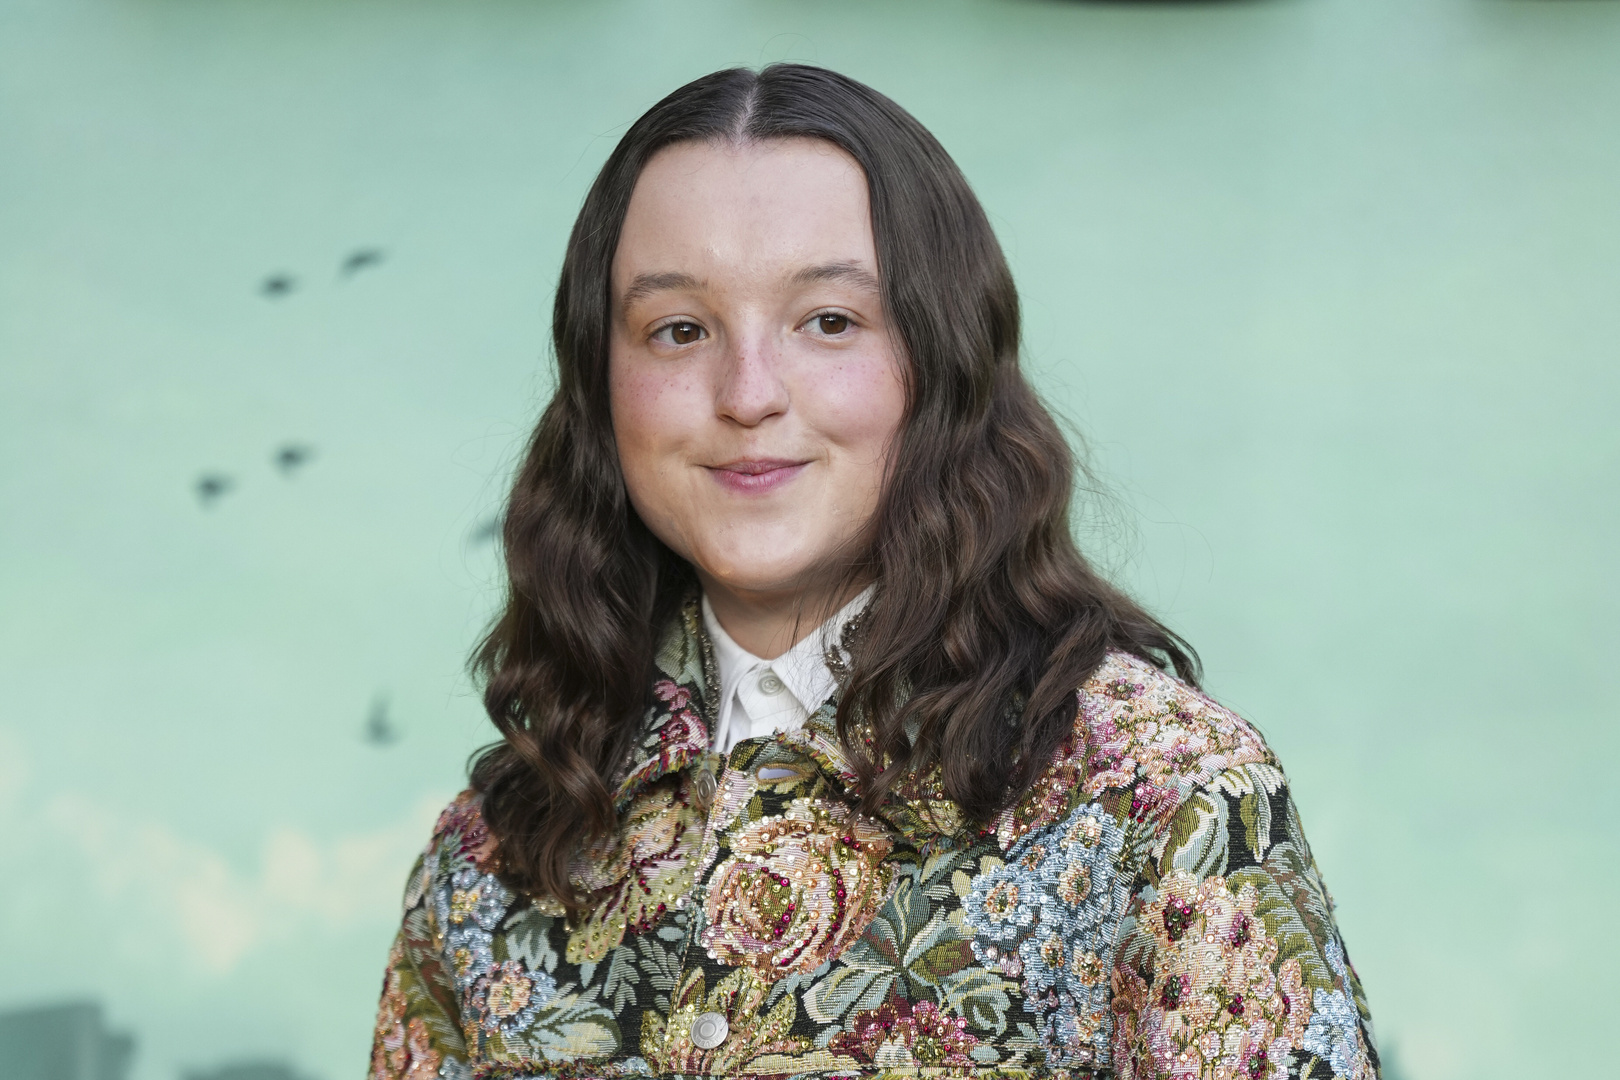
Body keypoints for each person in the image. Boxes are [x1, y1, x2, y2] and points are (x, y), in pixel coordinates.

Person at [370, 64, 1377, 1080]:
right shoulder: (489, 859)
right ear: (599, 384)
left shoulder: (1162, 798)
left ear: (943, 361)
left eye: (829, 321)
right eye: (679, 330)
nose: (748, 394)